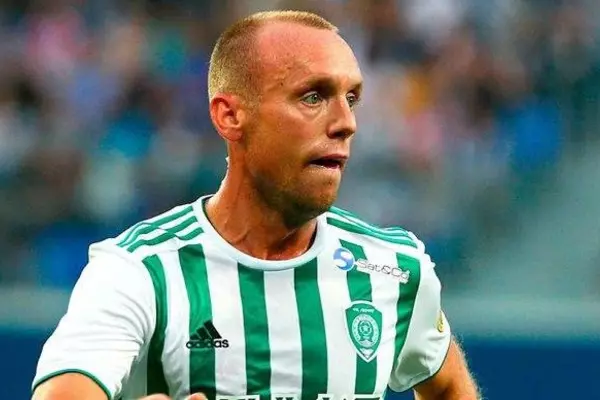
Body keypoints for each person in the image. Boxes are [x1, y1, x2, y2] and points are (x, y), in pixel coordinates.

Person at [31, 10, 480, 400]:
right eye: (313, 96)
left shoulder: (393, 268)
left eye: (351, 98)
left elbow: (449, 388)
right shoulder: (140, 271)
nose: (346, 123)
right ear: (230, 116)